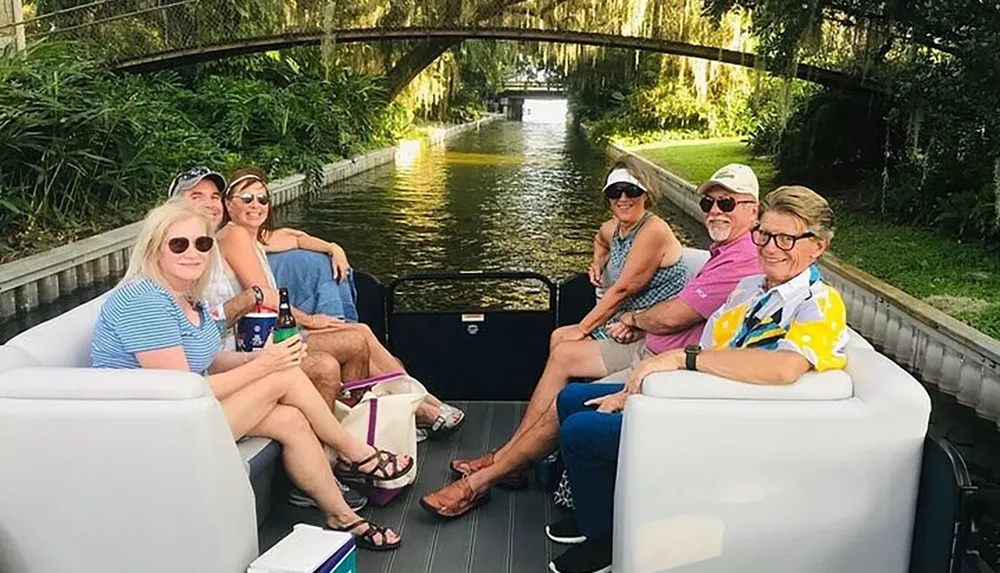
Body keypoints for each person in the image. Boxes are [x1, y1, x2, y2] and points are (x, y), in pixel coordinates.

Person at [419, 163, 763, 520]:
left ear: (753, 210)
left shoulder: (730, 257)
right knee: (562, 349)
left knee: (564, 378)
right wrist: (598, 258)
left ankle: (487, 476)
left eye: (727, 204)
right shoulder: (717, 250)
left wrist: (625, 321)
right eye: (709, 204)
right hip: (652, 343)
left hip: (661, 356)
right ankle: (510, 458)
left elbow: (648, 301)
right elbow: (605, 238)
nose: (715, 211)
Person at [547, 185, 849, 573]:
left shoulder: (818, 304)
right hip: (693, 397)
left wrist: (679, 360)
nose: (771, 247)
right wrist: (639, 385)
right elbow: (710, 344)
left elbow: (784, 367)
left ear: (817, 246)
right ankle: (600, 518)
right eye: (765, 234)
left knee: (581, 433)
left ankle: (606, 544)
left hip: (721, 421)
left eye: (787, 239)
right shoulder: (750, 289)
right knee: (572, 400)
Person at [90, 201, 412, 551]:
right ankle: (356, 453)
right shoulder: (143, 299)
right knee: (282, 378)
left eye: (202, 244)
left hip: (187, 412)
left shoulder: (185, 296)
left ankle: (342, 517)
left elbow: (207, 363)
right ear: (154, 248)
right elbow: (178, 390)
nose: (193, 253)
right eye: (178, 244)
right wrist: (267, 364)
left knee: (290, 418)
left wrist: (261, 357)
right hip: (153, 428)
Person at [167, 166, 370, 510]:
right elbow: (191, 363)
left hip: (232, 352)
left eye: (213, 196)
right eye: (196, 196)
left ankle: (341, 457)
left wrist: (333, 247)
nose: (209, 204)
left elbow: (289, 238)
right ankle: (343, 458)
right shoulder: (185, 263)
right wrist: (267, 313)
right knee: (324, 363)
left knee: (354, 338)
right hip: (227, 361)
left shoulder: (214, 244)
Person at [217, 167, 465, 437]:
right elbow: (267, 296)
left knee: (362, 333)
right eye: (247, 198)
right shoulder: (234, 235)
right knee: (355, 337)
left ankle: (419, 405)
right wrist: (312, 320)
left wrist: (334, 248)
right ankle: (420, 407)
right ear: (229, 204)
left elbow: (296, 238)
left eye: (262, 199)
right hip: (254, 341)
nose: (256, 205)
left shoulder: (255, 238)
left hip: (267, 334)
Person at [551, 159, 689, 347]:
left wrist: (582, 329)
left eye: (631, 191)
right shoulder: (613, 228)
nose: (622, 198)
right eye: (614, 192)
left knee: (566, 344)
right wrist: (598, 261)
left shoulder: (653, 230)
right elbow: (600, 240)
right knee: (558, 337)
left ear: (645, 195)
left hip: (653, 325)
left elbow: (623, 290)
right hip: (622, 320)